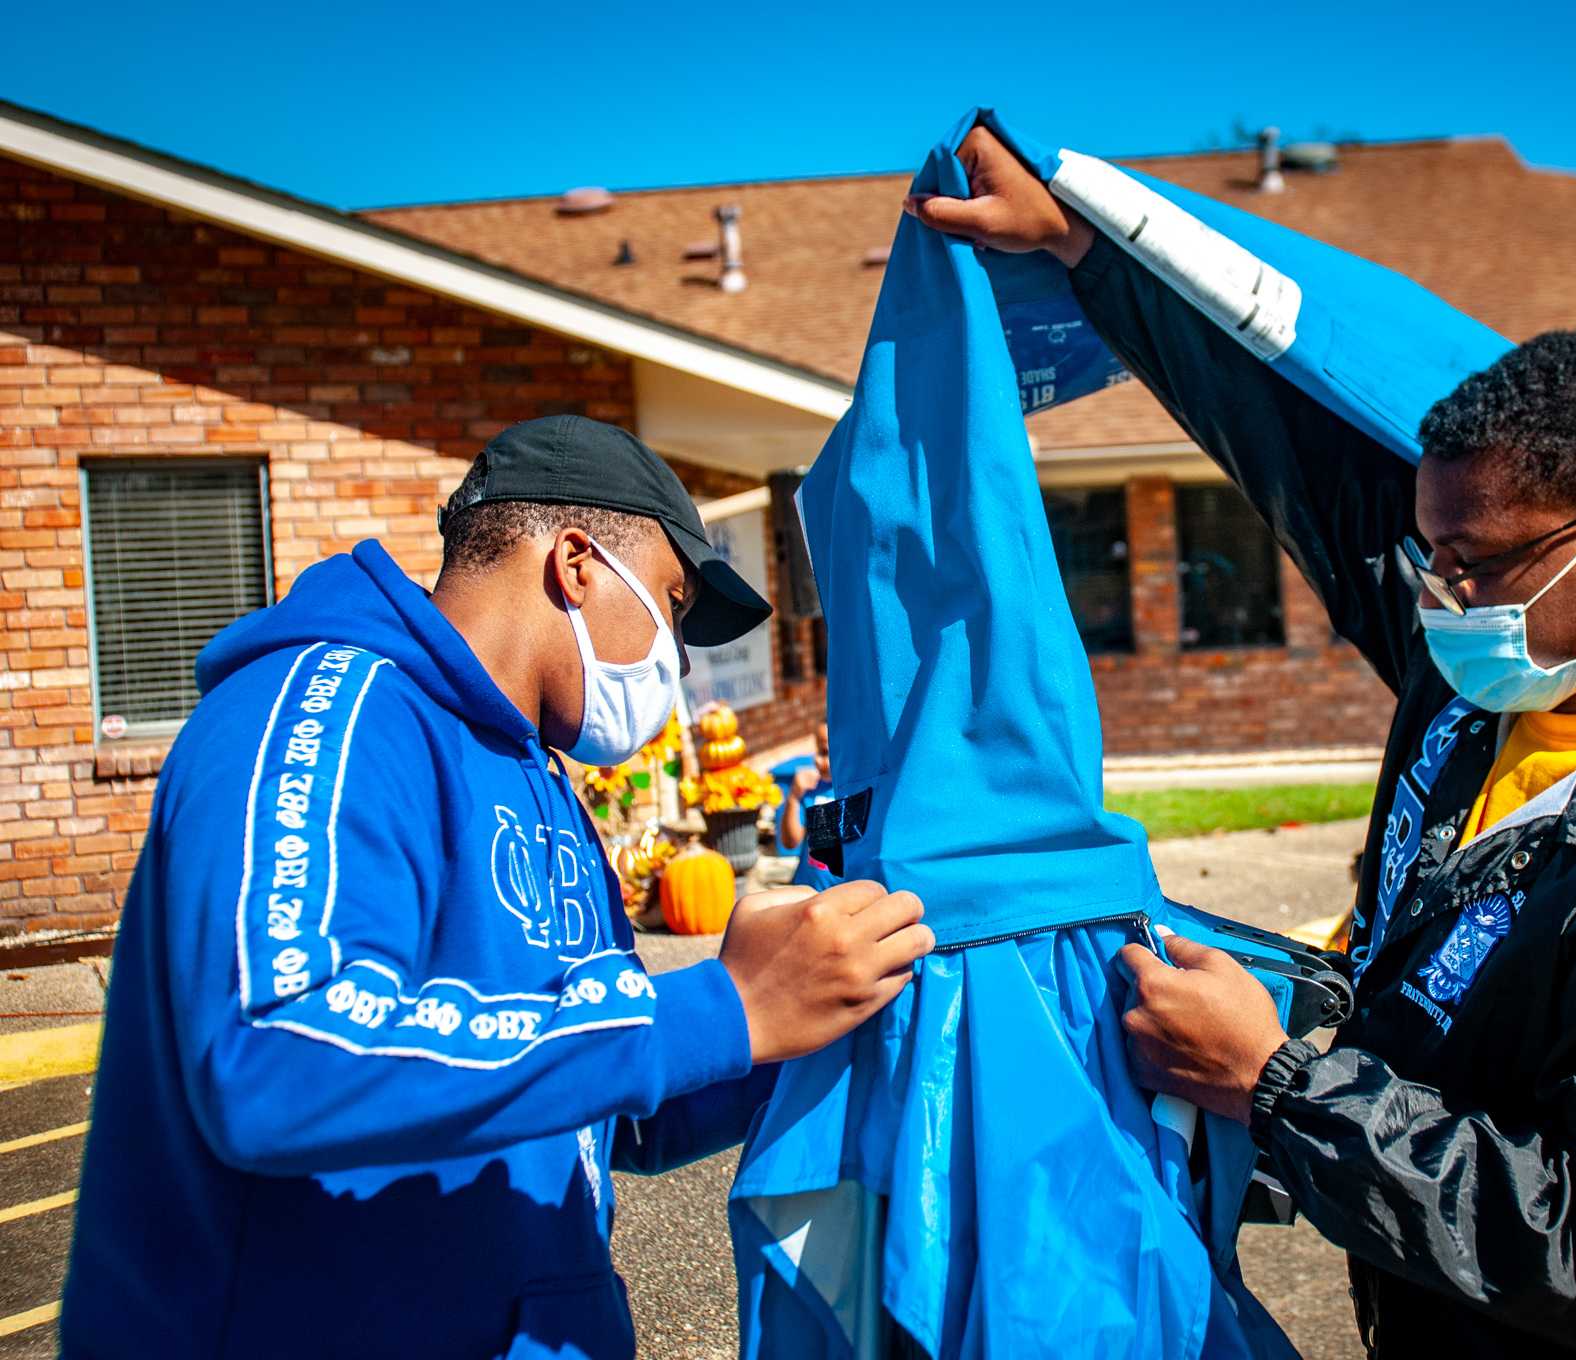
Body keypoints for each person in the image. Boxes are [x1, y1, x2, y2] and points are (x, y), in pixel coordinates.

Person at [911, 131, 1576, 1358]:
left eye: (1478, 564)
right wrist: (1086, 246)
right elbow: (1293, 441)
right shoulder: (1487, 680)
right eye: (1430, 560)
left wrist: (1278, 1085)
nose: (1441, 599)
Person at [62, 416, 935, 1357]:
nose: (677, 666)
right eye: (674, 609)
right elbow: (279, 1052)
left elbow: (604, 1105)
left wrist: (791, 1022)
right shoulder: (323, 713)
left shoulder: (546, 783)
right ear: (576, 564)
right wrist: (721, 1012)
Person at [776, 721, 834, 856]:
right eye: (817, 750)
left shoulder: (854, 791)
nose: (817, 760)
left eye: (824, 752)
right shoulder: (810, 789)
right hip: (808, 877)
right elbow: (790, 842)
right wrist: (793, 797)